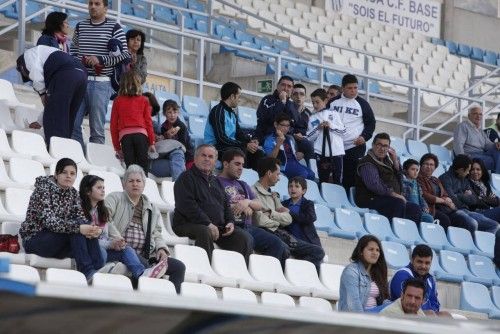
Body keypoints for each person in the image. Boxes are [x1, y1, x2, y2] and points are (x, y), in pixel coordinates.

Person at [105, 164, 186, 293]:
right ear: (124, 184)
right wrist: (118, 239)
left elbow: (156, 232)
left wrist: (161, 248)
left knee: (179, 267)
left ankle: (172, 302)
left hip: (146, 254)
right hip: (121, 250)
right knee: (145, 266)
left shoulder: (151, 207)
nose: (135, 184)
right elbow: (105, 219)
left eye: (138, 181)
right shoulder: (114, 198)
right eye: (131, 181)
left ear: (144, 184)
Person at [19, 158, 103, 282]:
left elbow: (80, 218)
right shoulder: (43, 190)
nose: (68, 176)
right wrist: (80, 228)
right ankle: (88, 271)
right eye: (64, 172)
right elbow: (50, 222)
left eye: (72, 173)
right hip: (36, 240)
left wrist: (92, 229)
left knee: (82, 225)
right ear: (56, 174)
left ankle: (98, 268)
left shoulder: (73, 194)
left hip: (59, 243)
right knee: (77, 229)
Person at [172, 145, 253, 262]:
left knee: (245, 238)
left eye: (210, 157)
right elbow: (187, 206)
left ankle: (236, 273)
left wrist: (230, 222)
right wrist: (208, 223)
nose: (207, 159)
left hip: (217, 227)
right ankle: (204, 269)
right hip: (187, 224)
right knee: (204, 231)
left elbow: (226, 206)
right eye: (203, 155)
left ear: (215, 161)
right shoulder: (185, 178)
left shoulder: (216, 181)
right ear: (195, 158)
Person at [79, 174, 168, 280]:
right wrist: (110, 244)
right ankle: (96, 272)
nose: (103, 191)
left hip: (102, 248)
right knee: (100, 250)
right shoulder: (80, 210)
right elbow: (86, 240)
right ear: (88, 191)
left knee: (126, 249)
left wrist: (114, 243)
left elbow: (103, 237)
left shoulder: (101, 211)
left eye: (103, 188)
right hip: (88, 251)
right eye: (99, 188)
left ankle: (141, 274)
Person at [71, 0, 130, 147]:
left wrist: (100, 59)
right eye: (90, 3)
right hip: (80, 81)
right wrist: (79, 62)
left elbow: (124, 55)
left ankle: (94, 165)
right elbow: (73, 49)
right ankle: (79, 159)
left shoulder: (115, 28)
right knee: (73, 124)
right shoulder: (80, 26)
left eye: (97, 4)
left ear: (105, 8)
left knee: (96, 130)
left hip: (101, 84)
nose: (92, 6)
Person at [217, 149, 289, 266]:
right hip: (230, 225)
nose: (241, 168)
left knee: (277, 243)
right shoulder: (216, 182)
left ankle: (264, 276)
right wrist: (237, 206)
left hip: (248, 226)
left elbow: (259, 205)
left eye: (242, 165)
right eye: (237, 164)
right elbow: (215, 204)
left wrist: (247, 202)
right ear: (225, 164)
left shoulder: (243, 184)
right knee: (247, 240)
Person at [252, 157, 324, 271]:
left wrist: (271, 213)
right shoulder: (253, 191)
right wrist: (278, 218)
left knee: (318, 252)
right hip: (270, 233)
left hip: (282, 233)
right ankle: (292, 276)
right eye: (278, 174)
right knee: (283, 248)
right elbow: (260, 219)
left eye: (296, 186)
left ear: (304, 190)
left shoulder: (274, 195)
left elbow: (288, 219)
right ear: (269, 173)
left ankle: (297, 273)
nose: (279, 178)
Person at [16, 45, 87, 145]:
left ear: (22, 68)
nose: (30, 79)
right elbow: (52, 104)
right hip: (82, 74)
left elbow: (36, 76)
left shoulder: (27, 56)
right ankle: (65, 153)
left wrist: (42, 93)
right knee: (67, 118)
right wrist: (40, 122)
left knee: (55, 124)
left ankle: (56, 153)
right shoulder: (47, 54)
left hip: (66, 73)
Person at [355, 133, 422, 223]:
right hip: (370, 198)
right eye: (379, 145)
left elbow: (401, 178)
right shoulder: (367, 162)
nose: (382, 149)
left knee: (415, 209)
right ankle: (396, 231)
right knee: (397, 203)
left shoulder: (388, 161)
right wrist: (394, 194)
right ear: (373, 145)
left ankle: (408, 234)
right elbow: (374, 185)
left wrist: (395, 160)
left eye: (385, 146)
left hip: (387, 198)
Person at [327, 74, 376, 191]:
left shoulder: (363, 104)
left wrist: (364, 137)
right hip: (334, 146)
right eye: (350, 88)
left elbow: (371, 124)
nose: (353, 91)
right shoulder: (333, 102)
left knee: (351, 178)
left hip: (354, 146)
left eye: (355, 88)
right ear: (343, 88)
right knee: (334, 176)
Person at [417, 153, 487, 232]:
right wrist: (445, 200)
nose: (429, 167)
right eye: (426, 164)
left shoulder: (435, 180)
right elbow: (425, 195)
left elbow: (474, 200)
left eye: (432, 165)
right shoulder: (419, 178)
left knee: (493, 225)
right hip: (433, 208)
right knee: (471, 223)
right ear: (421, 165)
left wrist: (452, 198)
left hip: (452, 209)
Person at [205, 81, 264, 171]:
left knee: (258, 153)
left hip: (229, 146)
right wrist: (245, 145)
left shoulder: (232, 113)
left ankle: (252, 180)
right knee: (240, 151)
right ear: (232, 96)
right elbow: (221, 138)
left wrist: (251, 142)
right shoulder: (217, 111)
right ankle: (240, 179)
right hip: (215, 147)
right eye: (239, 96)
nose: (239, 99)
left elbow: (239, 133)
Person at [256, 76, 314, 160]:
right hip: (269, 134)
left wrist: (299, 135)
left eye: (289, 86)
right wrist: (281, 102)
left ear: (292, 90)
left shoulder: (291, 104)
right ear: (277, 86)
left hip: (288, 135)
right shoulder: (267, 100)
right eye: (283, 85)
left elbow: (297, 123)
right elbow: (268, 119)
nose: (285, 88)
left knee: (308, 144)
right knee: (289, 141)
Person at [439, 154, 499, 234]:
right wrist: (463, 196)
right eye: (468, 170)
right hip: (454, 211)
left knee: (495, 225)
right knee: (473, 223)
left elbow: (474, 199)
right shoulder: (445, 178)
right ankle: (472, 244)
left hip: (467, 211)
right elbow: (453, 199)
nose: (468, 173)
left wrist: (458, 195)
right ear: (460, 170)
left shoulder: (464, 180)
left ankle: (483, 245)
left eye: (478, 169)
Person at [110, 71, 156, 174]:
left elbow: (113, 125)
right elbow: (149, 122)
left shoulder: (117, 100)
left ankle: (130, 188)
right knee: (143, 169)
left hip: (126, 138)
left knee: (130, 168)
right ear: (138, 84)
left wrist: (117, 147)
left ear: (122, 84)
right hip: (141, 136)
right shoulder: (144, 100)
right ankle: (144, 188)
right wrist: (152, 142)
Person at [390, 244, 449, 316]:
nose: (423, 266)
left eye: (427, 263)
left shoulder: (430, 279)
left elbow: (435, 304)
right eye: (420, 262)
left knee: (445, 315)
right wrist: (429, 312)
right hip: (398, 313)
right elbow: (405, 304)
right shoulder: (402, 275)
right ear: (412, 260)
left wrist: (431, 311)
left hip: (422, 314)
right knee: (431, 314)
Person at [338, 235, 389, 312]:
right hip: (358, 317)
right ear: (361, 251)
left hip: (375, 315)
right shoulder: (351, 271)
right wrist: (365, 321)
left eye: (377, 250)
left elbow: (383, 300)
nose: (375, 253)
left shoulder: (377, 272)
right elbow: (354, 305)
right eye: (371, 249)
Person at [307, 88, 345, 184]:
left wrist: (331, 126)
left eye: (317, 102)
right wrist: (318, 128)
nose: (315, 105)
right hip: (320, 153)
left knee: (337, 180)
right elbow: (309, 137)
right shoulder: (312, 118)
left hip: (336, 152)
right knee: (323, 180)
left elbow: (343, 131)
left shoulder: (334, 114)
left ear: (325, 100)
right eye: (313, 102)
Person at [263, 113, 315, 180]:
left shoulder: (289, 138)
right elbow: (270, 160)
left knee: (311, 175)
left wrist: (297, 155)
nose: (286, 128)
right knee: (303, 173)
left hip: (295, 163)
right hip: (283, 166)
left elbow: (291, 154)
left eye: (288, 126)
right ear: (276, 124)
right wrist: (278, 144)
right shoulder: (270, 139)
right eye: (283, 125)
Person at [453, 104, 500, 173]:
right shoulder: (463, 126)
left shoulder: (480, 131)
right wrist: (463, 161)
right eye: (475, 114)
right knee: (493, 160)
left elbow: (488, 145)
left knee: (497, 150)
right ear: (469, 115)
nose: (478, 116)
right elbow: (458, 145)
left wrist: (496, 144)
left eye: (480, 114)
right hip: (470, 156)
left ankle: (497, 178)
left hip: (482, 154)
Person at [153, 99, 192, 180]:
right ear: (164, 113)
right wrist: (165, 136)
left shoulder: (181, 126)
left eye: (175, 112)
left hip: (186, 155)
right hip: (170, 153)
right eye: (169, 112)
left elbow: (183, 145)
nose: (172, 115)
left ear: (178, 113)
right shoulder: (163, 127)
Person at [281, 176, 322, 248]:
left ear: (304, 191)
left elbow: (311, 218)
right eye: (290, 186)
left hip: (308, 242)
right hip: (291, 242)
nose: (293, 189)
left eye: (297, 186)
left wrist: (290, 213)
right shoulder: (284, 204)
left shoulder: (308, 204)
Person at [402, 159, 434, 223]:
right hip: (408, 209)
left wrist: (425, 206)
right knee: (428, 219)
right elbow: (403, 197)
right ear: (405, 170)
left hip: (419, 210)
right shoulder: (403, 182)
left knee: (430, 218)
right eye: (413, 169)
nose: (415, 172)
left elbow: (421, 197)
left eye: (417, 170)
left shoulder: (417, 183)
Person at [290, 83, 314, 161]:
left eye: (301, 94)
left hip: (304, 139)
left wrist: (303, 152)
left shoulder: (309, 113)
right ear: (291, 96)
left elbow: (313, 130)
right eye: (295, 94)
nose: (298, 97)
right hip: (291, 137)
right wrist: (294, 134)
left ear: (305, 97)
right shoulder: (287, 109)